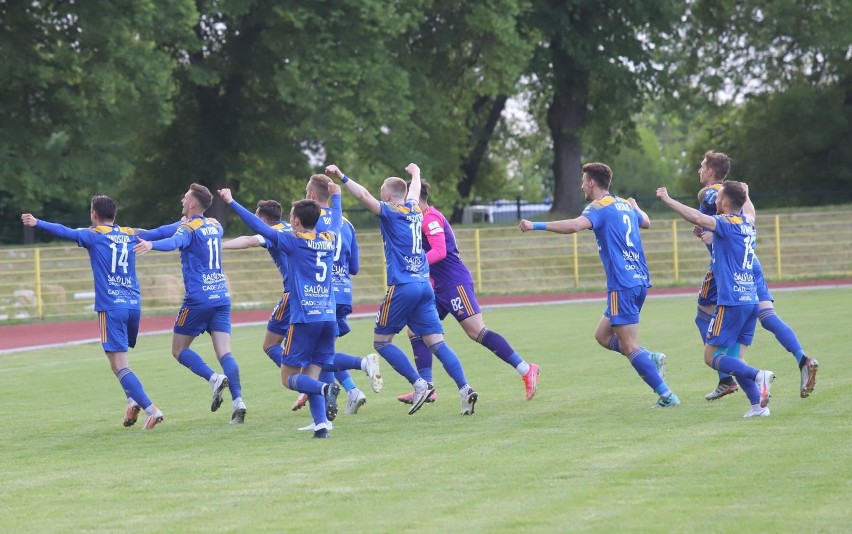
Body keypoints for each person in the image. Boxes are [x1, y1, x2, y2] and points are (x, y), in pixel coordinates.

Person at [519, 162, 680, 408]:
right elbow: (646, 221)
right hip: (638, 280)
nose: (581, 185)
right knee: (602, 336)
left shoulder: (598, 207)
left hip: (622, 283)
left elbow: (574, 226)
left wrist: (535, 225)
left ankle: (666, 395)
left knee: (629, 345)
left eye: (583, 180)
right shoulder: (623, 204)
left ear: (592, 182)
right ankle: (650, 358)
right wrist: (635, 206)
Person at [325, 162, 478, 416]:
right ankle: (465, 389)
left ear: (385, 196)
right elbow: (414, 189)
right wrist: (416, 173)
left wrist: (342, 177)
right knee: (437, 343)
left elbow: (363, 195)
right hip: (424, 285)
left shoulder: (389, 211)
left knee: (382, 342)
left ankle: (420, 385)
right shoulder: (415, 208)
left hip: (403, 285)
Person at [21, 196, 181, 430]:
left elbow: (65, 231)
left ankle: (151, 409)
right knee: (120, 362)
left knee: (119, 364)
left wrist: (38, 222)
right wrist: (184, 221)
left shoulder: (93, 235)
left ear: (94, 214)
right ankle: (132, 401)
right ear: (113, 215)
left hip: (111, 306)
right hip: (133, 305)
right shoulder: (129, 232)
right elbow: (159, 231)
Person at [396, 179, 540, 404]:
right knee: (415, 330)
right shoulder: (416, 219)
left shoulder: (430, 218)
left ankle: (526, 368)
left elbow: (440, 251)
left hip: (455, 284)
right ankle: (427, 388)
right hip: (437, 287)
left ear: (412, 197)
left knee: (476, 331)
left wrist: (416, 263)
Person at [218, 182, 343, 438]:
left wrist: (231, 202)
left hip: (305, 318)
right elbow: (337, 219)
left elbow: (259, 227)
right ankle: (321, 426)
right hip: (328, 318)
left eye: (291, 217)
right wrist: (337, 196)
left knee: (289, 378)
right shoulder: (330, 237)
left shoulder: (292, 242)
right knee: (311, 370)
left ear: (296, 222)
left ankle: (323, 390)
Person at [693, 151, 818, 401]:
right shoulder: (735, 198)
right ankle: (802, 359)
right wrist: (745, 194)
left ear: (710, 172)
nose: (699, 169)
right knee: (767, 315)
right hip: (749, 262)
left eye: (702, 166)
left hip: (727, 267)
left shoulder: (711, 192)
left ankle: (726, 375)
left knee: (704, 316)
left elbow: (707, 208)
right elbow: (749, 216)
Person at [657, 181, 775, 417]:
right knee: (734, 357)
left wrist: (668, 200)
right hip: (751, 299)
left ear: (723, 202)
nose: (715, 201)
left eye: (718, 197)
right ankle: (757, 406)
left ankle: (758, 375)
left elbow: (697, 218)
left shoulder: (724, 222)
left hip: (731, 302)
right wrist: (747, 193)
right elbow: (750, 210)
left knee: (711, 357)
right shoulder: (747, 222)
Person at [133, 184, 246, 425]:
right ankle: (239, 402)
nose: (182, 201)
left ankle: (213, 378)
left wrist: (152, 245)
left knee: (178, 350)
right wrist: (134, 234)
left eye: (185, 198)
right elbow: (164, 230)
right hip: (221, 296)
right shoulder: (215, 225)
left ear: (193, 204)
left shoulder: (188, 228)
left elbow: (174, 240)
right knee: (225, 352)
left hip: (198, 299)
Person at [291, 174, 382, 421]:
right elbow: (354, 267)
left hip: (320, 294)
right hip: (344, 293)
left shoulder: (311, 221)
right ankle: (345, 391)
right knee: (322, 352)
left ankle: (358, 369)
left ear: (311, 196)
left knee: (315, 356)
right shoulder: (347, 224)